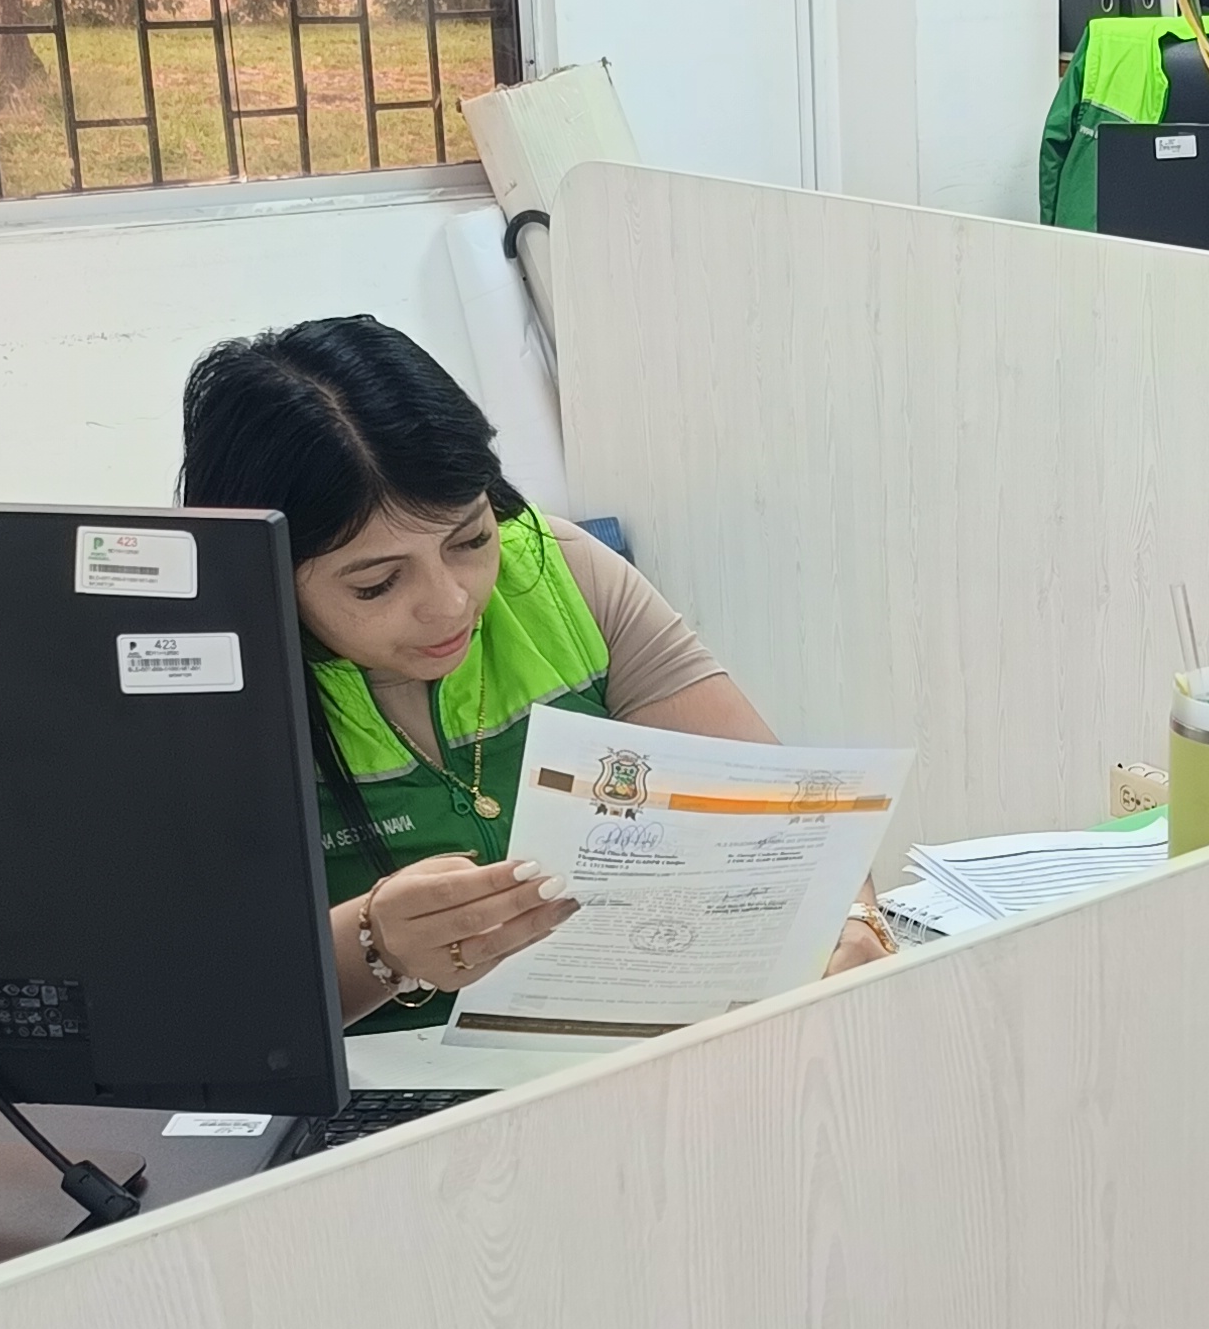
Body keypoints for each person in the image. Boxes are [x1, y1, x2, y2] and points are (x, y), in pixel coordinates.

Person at [178, 316, 894, 1028]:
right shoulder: (200, 680)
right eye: (378, 584)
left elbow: (785, 822)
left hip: (632, 1053)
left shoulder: (557, 572)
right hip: (381, 1085)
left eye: (470, 540)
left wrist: (855, 923)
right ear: (265, 572)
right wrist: (376, 947)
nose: (451, 602)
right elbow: (195, 1007)